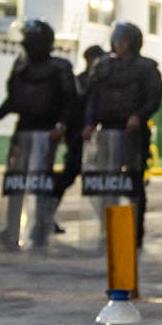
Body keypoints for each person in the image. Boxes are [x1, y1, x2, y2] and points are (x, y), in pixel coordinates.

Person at [0, 19, 76, 250]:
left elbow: (69, 99)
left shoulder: (60, 67)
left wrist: (62, 125)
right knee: (15, 182)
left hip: (47, 131)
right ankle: (12, 228)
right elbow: (12, 100)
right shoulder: (21, 67)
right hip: (23, 129)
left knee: (40, 182)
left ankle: (39, 228)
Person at [83, 21, 162, 244]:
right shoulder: (104, 66)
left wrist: (139, 115)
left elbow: (154, 97)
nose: (120, 46)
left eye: (125, 42)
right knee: (106, 181)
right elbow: (93, 96)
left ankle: (134, 232)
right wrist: (90, 123)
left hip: (133, 133)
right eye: (118, 41)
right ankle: (106, 228)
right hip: (107, 132)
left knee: (133, 182)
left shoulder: (146, 68)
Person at [52, 43, 107, 225]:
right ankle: (47, 214)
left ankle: (105, 220)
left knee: (96, 180)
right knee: (70, 174)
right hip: (78, 136)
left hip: (96, 137)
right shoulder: (80, 81)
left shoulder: (101, 80)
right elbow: (71, 107)